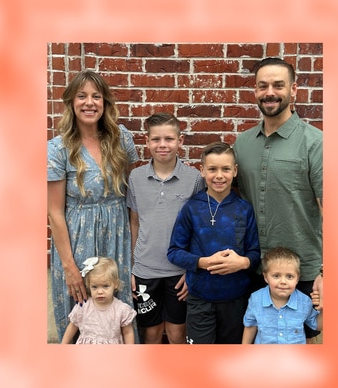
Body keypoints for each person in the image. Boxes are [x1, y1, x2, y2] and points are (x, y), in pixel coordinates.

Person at [232, 57, 323, 342]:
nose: (270, 92)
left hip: (302, 273)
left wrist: (326, 272)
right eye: (263, 86)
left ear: (294, 89)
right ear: (256, 92)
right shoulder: (242, 143)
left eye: (278, 85)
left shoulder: (316, 142)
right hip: (254, 269)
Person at [47, 69, 139, 342]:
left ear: (105, 102)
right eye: (82, 96)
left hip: (117, 235)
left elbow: (133, 197)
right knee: (81, 307)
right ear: (71, 103)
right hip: (77, 239)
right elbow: (54, 211)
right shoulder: (58, 148)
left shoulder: (121, 139)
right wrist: (69, 267)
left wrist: (135, 254)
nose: (89, 103)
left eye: (96, 96)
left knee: (118, 308)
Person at [167, 142, 260, 344]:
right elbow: (174, 251)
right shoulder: (191, 208)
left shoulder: (244, 208)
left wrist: (243, 262)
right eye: (212, 169)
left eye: (226, 169)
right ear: (202, 171)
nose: (219, 175)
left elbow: (255, 252)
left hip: (236, 299)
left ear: (235, 171)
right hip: (200, 299)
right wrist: (202, 262)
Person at [127, 112, 204, 344]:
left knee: (177, 332)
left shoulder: (193, 179)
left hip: (178, 272)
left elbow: (199, 229)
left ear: (180, 141)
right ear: (147, 141)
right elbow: (135, 222)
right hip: (145, 271)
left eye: (169, 139)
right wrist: (133, 265)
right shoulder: (136, 177)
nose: (163, 145)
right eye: (156, 139)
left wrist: (191, 270)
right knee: (150, 332)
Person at [242, 247, 322, 344]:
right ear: (266, 277)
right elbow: (250, 326)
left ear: (297, 279)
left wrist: (324, 308)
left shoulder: (304, 301)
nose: (283, 282)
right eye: (276, 276)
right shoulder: (256, 299)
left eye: (289, 276)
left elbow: (318, 326)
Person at [61, 257, 137, 344]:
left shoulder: (121, 309)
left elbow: (127, 332)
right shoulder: (83, 306)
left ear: (115, 284)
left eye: (105, 286)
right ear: (88, 286)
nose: (100, 292)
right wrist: (63, 344)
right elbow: (72, 326)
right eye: (94, 287)